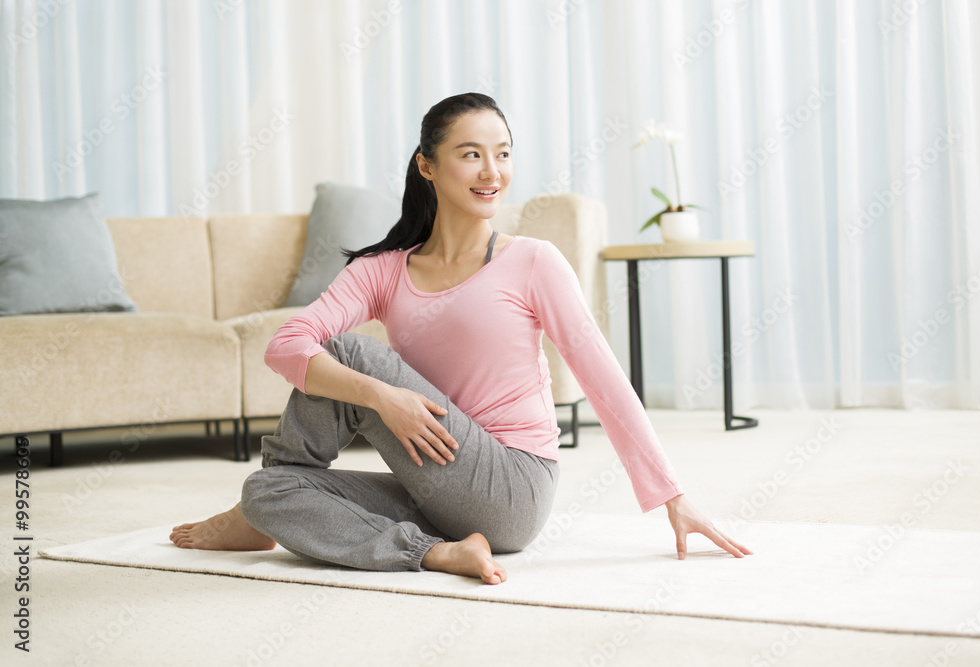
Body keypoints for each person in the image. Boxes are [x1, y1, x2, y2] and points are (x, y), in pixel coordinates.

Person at [169, 92, 752, 585]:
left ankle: (260, 517)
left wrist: (672, 495)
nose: (491, 172)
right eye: (471, 155)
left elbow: (601, 376)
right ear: (428, 166)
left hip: (512, 487)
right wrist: (381, 398)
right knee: (269, 491)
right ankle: (430, 551)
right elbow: (286, 345)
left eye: (502, 154)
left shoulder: (532, 261)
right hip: (439, 488)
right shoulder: (384, 269)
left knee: (348, 351)